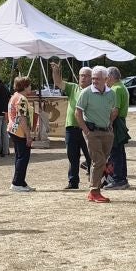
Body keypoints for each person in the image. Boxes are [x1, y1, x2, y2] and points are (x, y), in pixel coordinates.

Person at [75, 68, 121, 205]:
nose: (94, 81)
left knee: (103, 160)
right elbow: (77, 113)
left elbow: (115, 110)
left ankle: (95, 190)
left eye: (97, 78)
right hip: (92, 132)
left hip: (107, 132)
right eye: (93, 78)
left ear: (106, 79)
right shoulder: (86, 92)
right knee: (98, 160)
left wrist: (110, 124)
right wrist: (86, 131)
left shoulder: (111, 93)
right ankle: (94, 191)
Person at [48, 59, 88, 191]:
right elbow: (58, 82)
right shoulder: (73, 87)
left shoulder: (93, 91)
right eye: (81, 75)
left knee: (90, 155)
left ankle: (95, 179)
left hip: (87, 128)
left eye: (86, 76)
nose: (83, 78)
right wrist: (55, 71)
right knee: (72, 155)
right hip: (71, 127)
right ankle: (73, 182)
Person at [6, 75, 40, 191]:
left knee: (19, 156)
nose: (31, 87)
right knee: (23, 157)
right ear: (25, 86)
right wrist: (28, 136)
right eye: (30, 85)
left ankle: (21, 181)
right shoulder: (22, 99)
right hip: (20, 131)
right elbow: (22, 118)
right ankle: (17, 183)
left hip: (13, 129)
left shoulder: (14, 96)